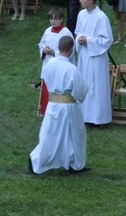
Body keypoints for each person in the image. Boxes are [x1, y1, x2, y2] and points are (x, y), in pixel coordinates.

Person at [29, 35, 88, 175]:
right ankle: (76, 163)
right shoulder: (71, 69)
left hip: (53, 105)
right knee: (75, 135)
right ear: (71, 49)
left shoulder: (51, 64)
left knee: (51, 134)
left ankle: (48, 160)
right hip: (68, 107)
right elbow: (81, 91)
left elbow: (47, 79)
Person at [74, 0, 113, 127]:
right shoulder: (81, 15)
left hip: (96, 58)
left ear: (91, 0)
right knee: (84, 84)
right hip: (84, 55)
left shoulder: (101, 18)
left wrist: (88, 40)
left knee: (96, 86)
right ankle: (84, 116)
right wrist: (79, 39)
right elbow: (78, 31)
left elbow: (107, 40)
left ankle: (99, 118)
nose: (80, 1)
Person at [36, 8, 75, 117]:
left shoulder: (66, 33)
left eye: (56, 19)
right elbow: (41, 43)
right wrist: (43, 49)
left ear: (61, 19)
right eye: (51, 19)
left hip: (60, 65)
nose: (53, 21)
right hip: (48, 63)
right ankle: (45, 110)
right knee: (47, 86)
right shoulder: (47, 31)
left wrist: (54, 52)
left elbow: (70, 50)